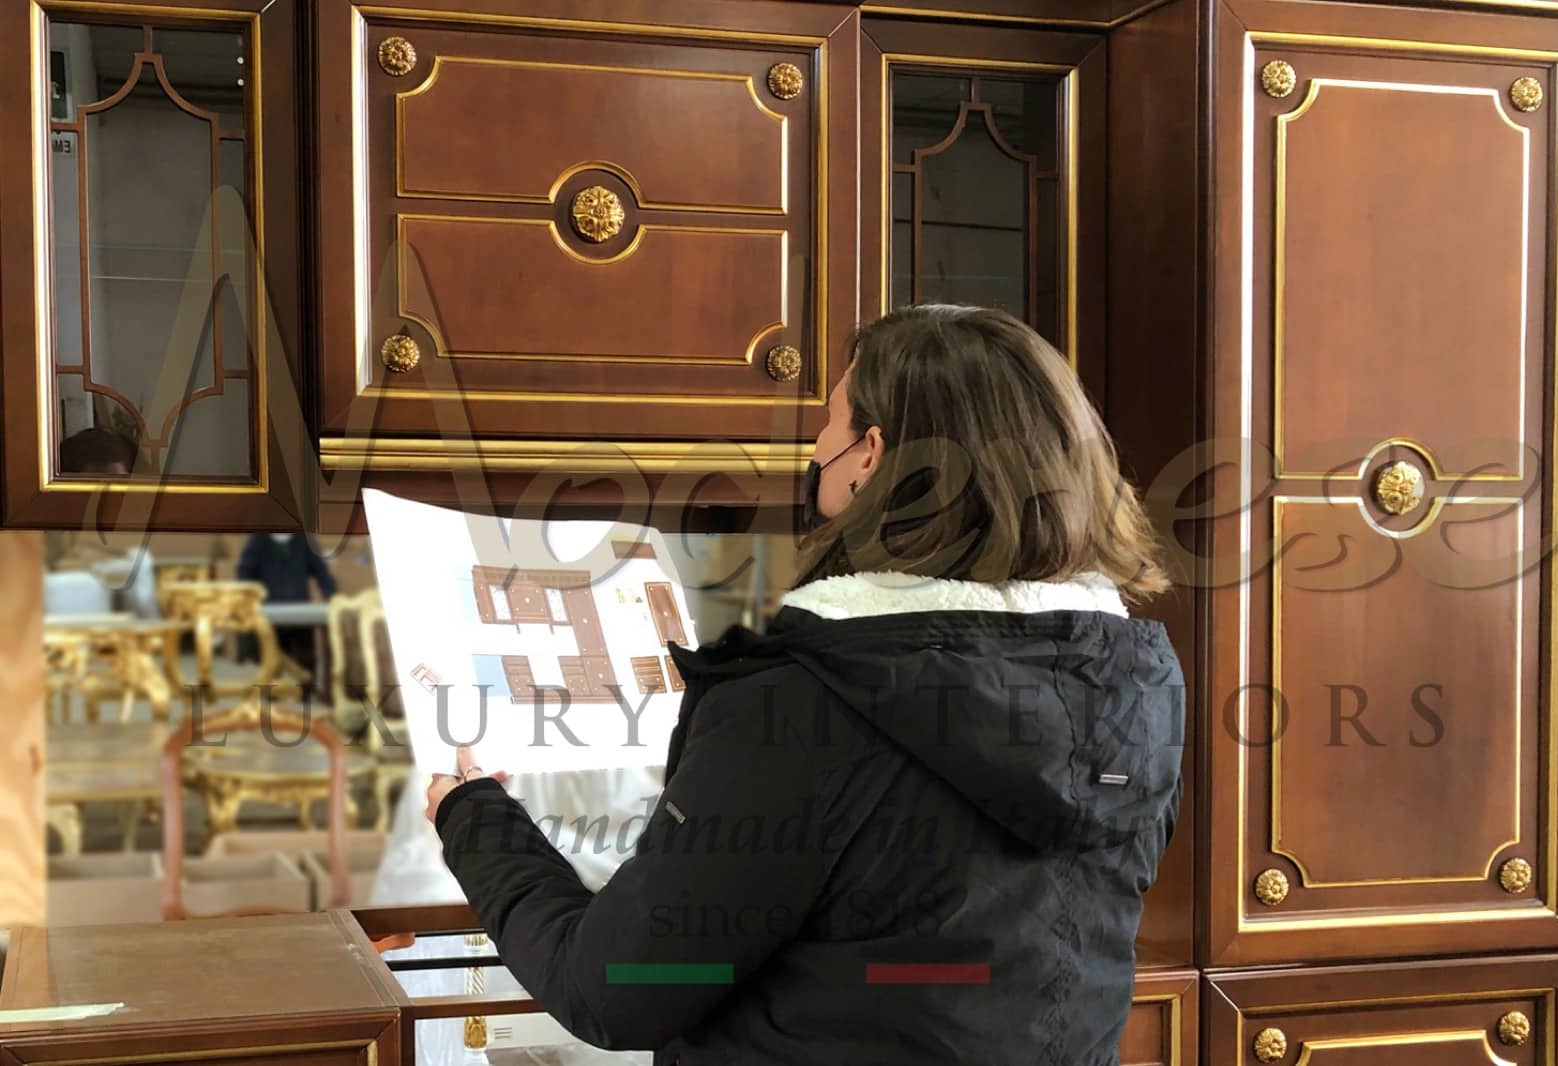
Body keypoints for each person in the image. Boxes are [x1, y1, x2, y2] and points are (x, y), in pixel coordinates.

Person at [424, 305, 1185, 1065]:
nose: (817, 445)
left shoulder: (810, 697)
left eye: (829, 421)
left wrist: (473, 819)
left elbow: (616, 988)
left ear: (869, 455)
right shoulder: (1137, 688)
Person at [235, 532, 336, 683]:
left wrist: (333, 598)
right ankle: (273, 691)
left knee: (305, 662)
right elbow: (244, 575)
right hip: (270, 615)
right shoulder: (258, 540)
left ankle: (306, 689)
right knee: (271, 661)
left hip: (301, 615)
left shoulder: (304, 539)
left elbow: (321, 572)